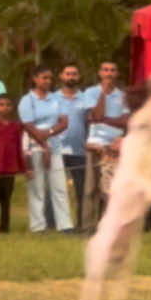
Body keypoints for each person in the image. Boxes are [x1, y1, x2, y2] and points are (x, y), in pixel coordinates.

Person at [20, 63, 73, 233]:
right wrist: (44, 146)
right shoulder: (27, 100)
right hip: (34, 148)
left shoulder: (56, 98)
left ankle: (65, 225)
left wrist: (49, 133)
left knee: (59, 188)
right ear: (35, 79)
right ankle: (38, 226)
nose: (48, 81)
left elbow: (64, 122)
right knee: (37, 188)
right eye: (44, 78)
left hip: (55, 147)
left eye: (50, 78)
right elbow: (28, 125)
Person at [82, 61, 130, 230]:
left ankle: (107, 224)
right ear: (100, 73)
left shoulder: (122, 96)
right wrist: (103, 92)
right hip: (94, 144)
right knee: (90, 188)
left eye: (112, 70)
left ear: (117, 74)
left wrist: (105, 121)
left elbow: (125, 121)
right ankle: (88, 225)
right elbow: (96, 114)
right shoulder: (90, 92)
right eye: (105, 70)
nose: (109, 73)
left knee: (110, 189)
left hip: (113, 147)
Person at [0, 92, 27, 233]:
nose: (5, 108)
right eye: (1, 105)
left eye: (8, 105)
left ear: (12, 108)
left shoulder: (15, 127)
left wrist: (24, 168)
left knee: (6, 200)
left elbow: (19, 148)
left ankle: (5, 227)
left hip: (9, 169)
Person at [57, 60, 89, 219]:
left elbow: (90, 123)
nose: (71, 77)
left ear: (79, 77)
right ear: (61, 76)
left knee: (81, 189)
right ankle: (57, 223)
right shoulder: (52, 98)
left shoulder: (86, 99)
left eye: (74, 74)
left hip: (79, 151)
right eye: (68, 74)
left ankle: (81, 221)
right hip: (56, 150)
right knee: (57, 189)